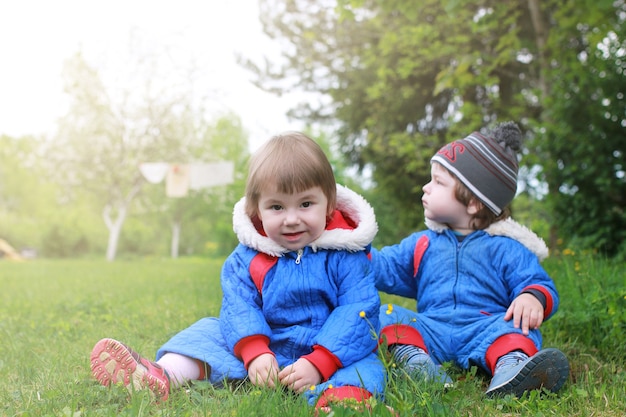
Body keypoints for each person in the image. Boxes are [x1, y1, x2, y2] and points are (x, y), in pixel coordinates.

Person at [90, 132, 386, 410]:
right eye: (277, 207)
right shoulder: (247, 259)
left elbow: (357, 309)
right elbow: (238, 307)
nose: (292, 219)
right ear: (256, 209)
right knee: (208, 331)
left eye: (306, 204)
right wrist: (254, 351)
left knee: (364, 363)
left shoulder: (346, 255)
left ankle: (342, 402)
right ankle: (163, 374)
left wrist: (320, 361)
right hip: (266, 346)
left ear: (329, 204)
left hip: (327, 349)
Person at [371, 121, 570, 397]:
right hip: (433, 328)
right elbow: (385, 267)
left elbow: (536, 281)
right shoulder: (423, 243)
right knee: (387, 314)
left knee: (518, 329)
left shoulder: (506, 247)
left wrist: (532, 297)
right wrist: (355, 249)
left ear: (474, 202)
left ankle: (511, 368)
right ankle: (416, 362)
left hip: (485, 328)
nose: (426, 188)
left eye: (438, 182)